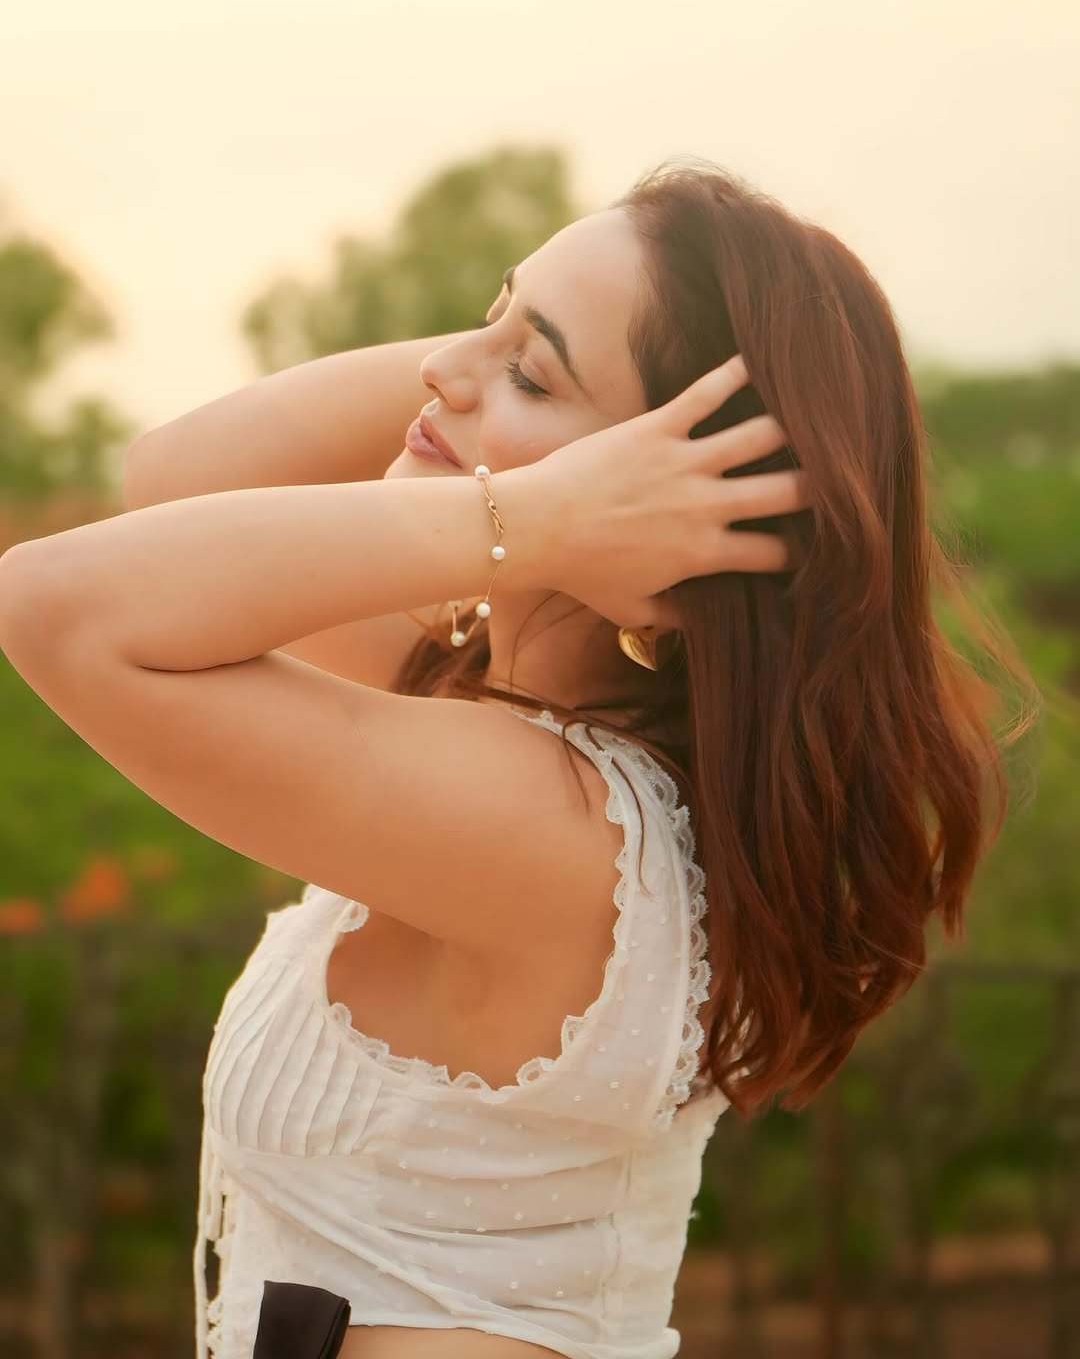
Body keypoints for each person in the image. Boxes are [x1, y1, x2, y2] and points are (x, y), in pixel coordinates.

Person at [0, 159, 1033, 1359]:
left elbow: (55, 608)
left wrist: (533, 512)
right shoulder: (512, 721)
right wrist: (521, 356)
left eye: (530, 371)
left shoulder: (560, 825)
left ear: (667, 501)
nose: (443, 368)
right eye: (483, 317)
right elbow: (175, 478)